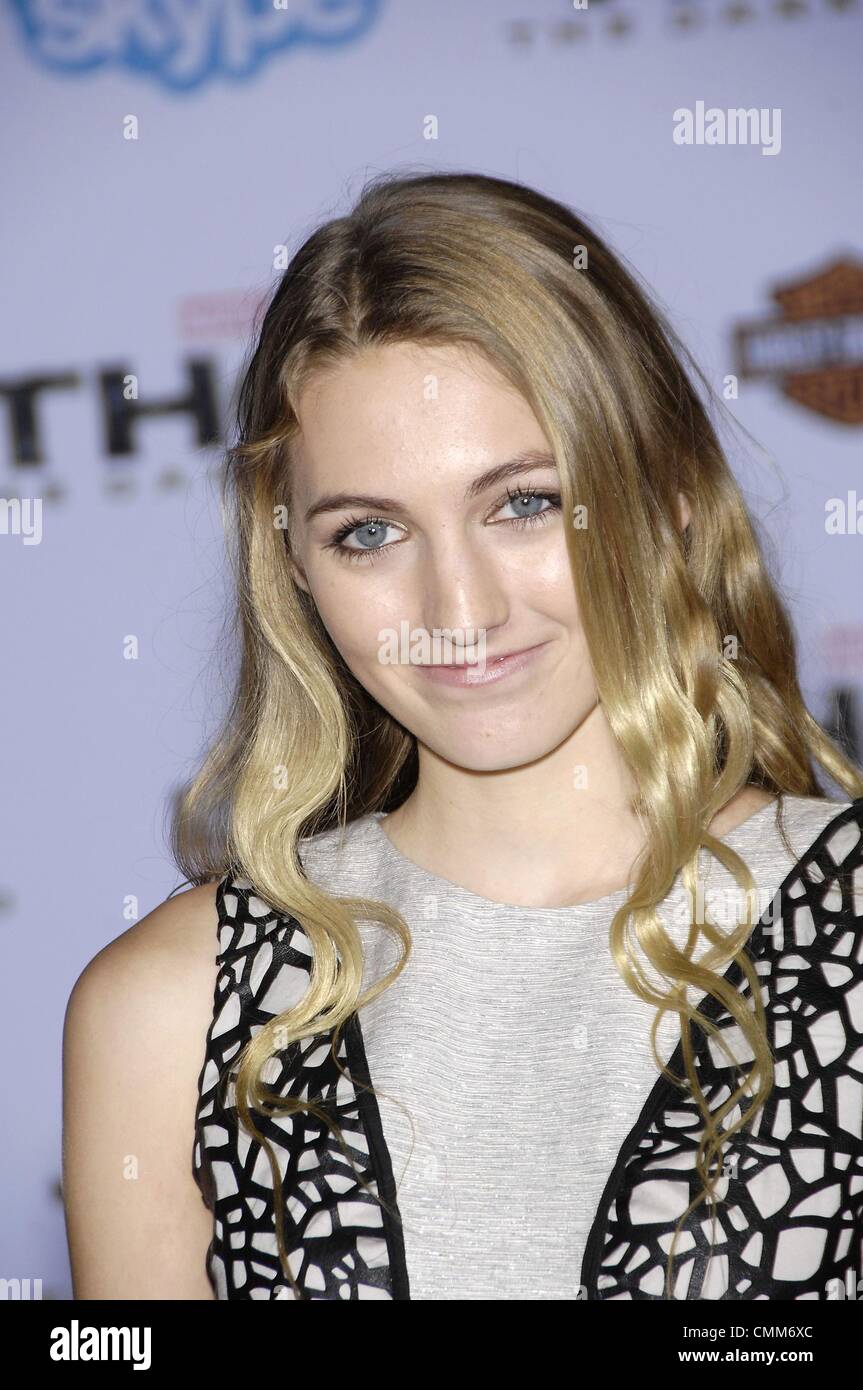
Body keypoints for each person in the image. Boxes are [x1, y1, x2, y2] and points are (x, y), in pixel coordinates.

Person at [62, 170, 863, 1302]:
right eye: (370, 531)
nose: (458, 609)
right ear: (293, 565)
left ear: (667, 498)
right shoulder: (168, 1008)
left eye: (524, 503)